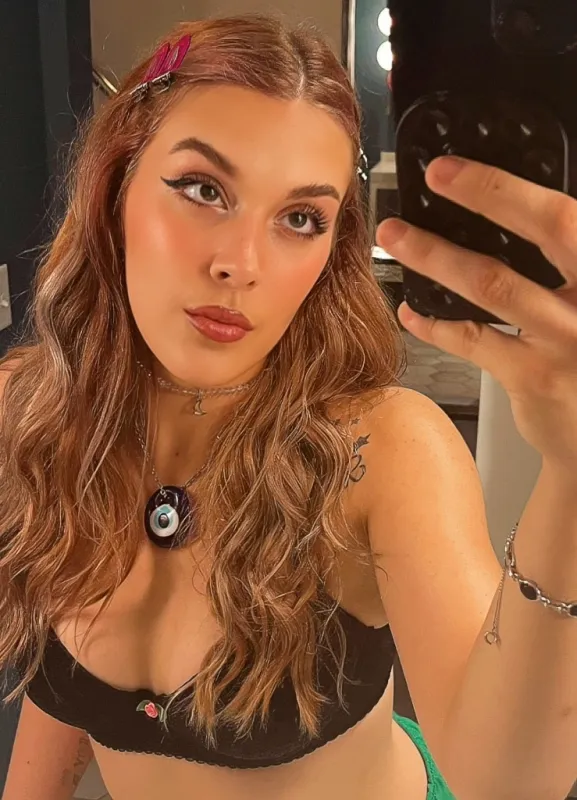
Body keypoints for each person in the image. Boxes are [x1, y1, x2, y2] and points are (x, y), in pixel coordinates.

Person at [2, 13, 577, 800]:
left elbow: (506, 782)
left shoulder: (381, 451)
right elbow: (65, 676)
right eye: (203, 190)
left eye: (300, 219)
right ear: (115, 189)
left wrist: (570, 474)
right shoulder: (31, 411)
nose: (240, 264)